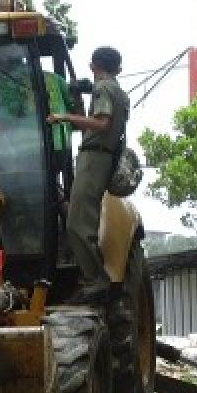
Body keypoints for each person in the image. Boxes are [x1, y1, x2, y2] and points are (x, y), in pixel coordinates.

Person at [45, 46, 129, 306]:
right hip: (102, 156)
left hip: (94, 159)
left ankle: (95, 282)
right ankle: (94, 279)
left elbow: (102, 123)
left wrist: (64, 117)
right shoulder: (119, 91)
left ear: (94, 66)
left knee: (77, 224)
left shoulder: (103, 88)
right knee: (79, 217)